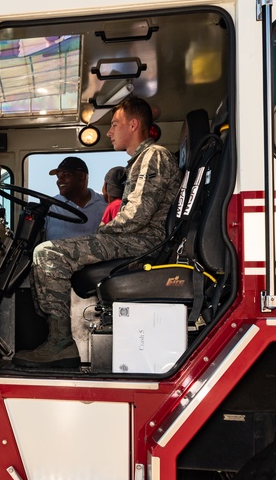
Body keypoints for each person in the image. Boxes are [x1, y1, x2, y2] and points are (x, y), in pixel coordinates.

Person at [14, 97, 180, 368]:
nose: (110, 132)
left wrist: (103, 232)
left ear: (134, 124)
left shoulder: (154, 156)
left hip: (142, 242)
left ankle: (60, 344)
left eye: (115, 124)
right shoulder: (139, 161)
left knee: (48, 253)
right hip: (134, 239)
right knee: (45, 253)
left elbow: (138, 214)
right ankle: (55, 339)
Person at [44, 156, 106, 240]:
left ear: (82, 177)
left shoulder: (105, 203)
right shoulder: (49, 207)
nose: (60, 180)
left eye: (66, 175)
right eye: (58, 177)